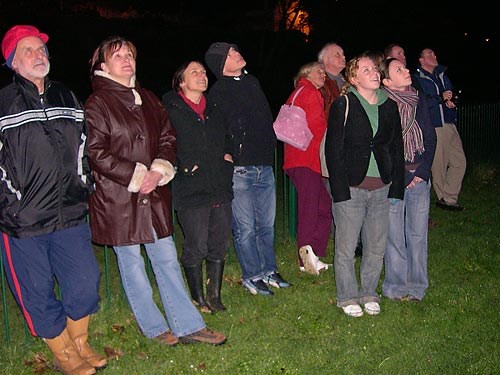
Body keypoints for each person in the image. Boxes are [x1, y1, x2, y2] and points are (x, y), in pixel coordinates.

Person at [85, 36, 226, 346]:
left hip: (155, 193)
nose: (126, 59)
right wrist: (136, 176)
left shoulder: (148, 97)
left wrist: (158, 169)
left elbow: (167, 136)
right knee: (132, 264)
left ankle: (187, 325)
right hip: (120, 198)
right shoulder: (97, 103)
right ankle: (153, 326)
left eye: (130, 54)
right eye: (118, 55)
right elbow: (97, 152)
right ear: (103, 65)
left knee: (166, 259)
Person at [0, 25, 105, 375]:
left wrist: (84, 184)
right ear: (13, 62)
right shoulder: (4, 102)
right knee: (36, 290)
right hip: (23, 221)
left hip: (70, 214)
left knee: (86, 281)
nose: (38, 54)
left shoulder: (66, 96)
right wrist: (10, 203)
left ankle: (80, 341)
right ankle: (63, 352)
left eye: (42, 48)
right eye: (28, 50)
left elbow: (83, 147)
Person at [204, 42, 290, 296]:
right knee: (246, 226)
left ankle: (269, 269)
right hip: (240, 169)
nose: (238, 54)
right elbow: (216, 128)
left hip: (264, 164)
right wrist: (228, 153)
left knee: (266, 224)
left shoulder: (252, 82)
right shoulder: (218, 91)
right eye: (230, 54)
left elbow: (263, 118)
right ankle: (251, 275)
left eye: (236, 50)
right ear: (220, 64)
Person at [325, 52, 404, 317]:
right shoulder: (343, 104)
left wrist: (396, 186)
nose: (374, 73)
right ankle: (347, 296)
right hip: (351, 187)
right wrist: (339, 191)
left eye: (375, 69)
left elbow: (396, 147)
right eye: (367, 69)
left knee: (376, 246)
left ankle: (369, 292)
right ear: (354, 77)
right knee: (346, 247)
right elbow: (333, 151)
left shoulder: (389, 106)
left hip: (381, 185)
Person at [162, 61, 233, 313]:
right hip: (191, 187)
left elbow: (228, 135)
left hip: (219, 184)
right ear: (182, 81)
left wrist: (228, 155)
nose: (202, 75)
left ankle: (214, 295)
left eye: (203, 72)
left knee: (219, 241)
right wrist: (182, 165)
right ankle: (197, 298)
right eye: (194, 72)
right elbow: (164, 142)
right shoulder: (171, 109)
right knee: (197, 244)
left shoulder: (214, 108)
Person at [380, 57, 437, 302]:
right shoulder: (382, 103)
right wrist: (403, 176)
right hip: (396, 179)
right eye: (398, 70)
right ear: (387, 81)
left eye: (404, 68)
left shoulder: (418, 99)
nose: (406, 71)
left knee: (417, 235)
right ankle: (395, 286)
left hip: (420, 177)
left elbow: (429, 137)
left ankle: (416, 287)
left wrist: (422, 172)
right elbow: (383, 145)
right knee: (394, 235)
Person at [282, 62, 332, 275]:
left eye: (323, 71)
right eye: (317, 71)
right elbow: (318, 127)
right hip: (307, 159)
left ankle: (313, 254)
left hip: (297, 159)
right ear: (305, 74)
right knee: (312, 209)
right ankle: (306, 258)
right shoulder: (311, 92)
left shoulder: (297, 92)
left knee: (322, 206)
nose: (322, 74)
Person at [413, 48, 466, 211]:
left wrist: (451, 102)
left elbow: (448, 96)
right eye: (430, 54)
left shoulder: (443, 76)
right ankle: (446, 199)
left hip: (450, 123)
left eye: (435, 53)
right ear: (421, 60)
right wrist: (440, 98)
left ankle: (448, 196)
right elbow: (420, 102)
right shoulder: (417, 79)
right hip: (435, 125)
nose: (435, 56)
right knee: (439, 165)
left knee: (460, 162)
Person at [317, 42, 346, 119]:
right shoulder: (319, 83)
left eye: (343, 54)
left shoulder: (348, 81)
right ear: (325, 59)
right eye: (337, 54)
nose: (343, 57)